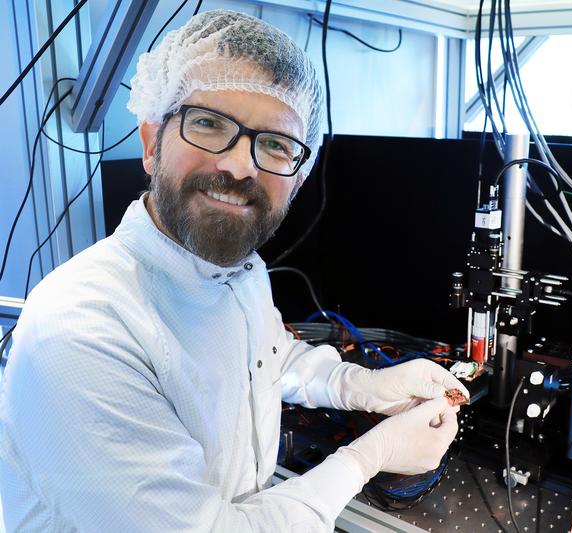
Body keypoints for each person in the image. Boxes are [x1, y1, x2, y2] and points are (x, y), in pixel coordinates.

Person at [0, 10, 467, 532]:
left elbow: (264, 355)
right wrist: (369, 456)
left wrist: (357, 384)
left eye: (275, 144)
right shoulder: (83, 330)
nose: (241, 165)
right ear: (152, 142)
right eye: (208, 123)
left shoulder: (237, 272)